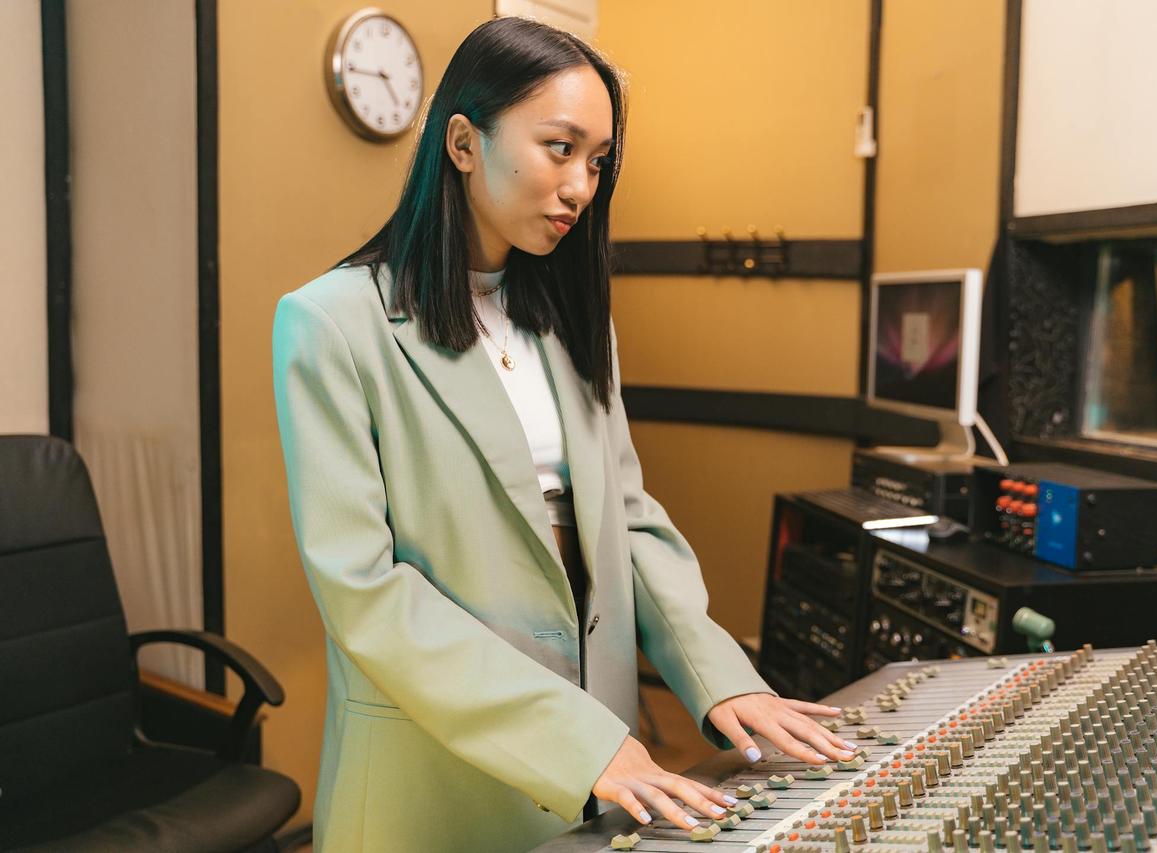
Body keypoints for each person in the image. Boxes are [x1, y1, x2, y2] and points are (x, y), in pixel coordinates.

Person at [272, 16, 858, 852]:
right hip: (434, 779)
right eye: (560, 148)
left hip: (599, 764)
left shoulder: (570, 317)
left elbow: (629, 516)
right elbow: (365, 593)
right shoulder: (330, 324)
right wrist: (576, 737)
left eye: (598, 161)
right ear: (465, 143)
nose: (582, 185)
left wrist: (718, 676)